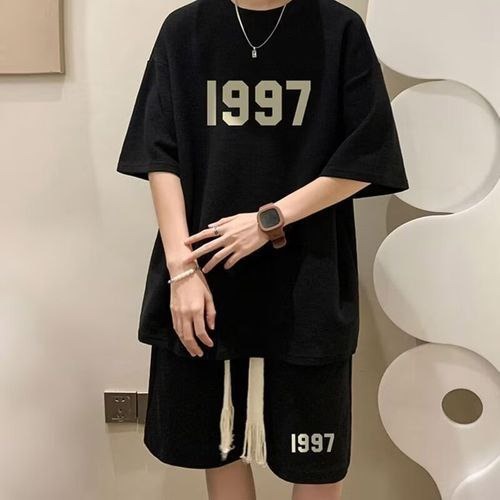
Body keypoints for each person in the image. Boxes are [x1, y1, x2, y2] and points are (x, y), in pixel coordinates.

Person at [116, 0, 409, 498]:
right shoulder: (185, 30)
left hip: (309, 283)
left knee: (317, 465)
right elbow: (160, 154)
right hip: (208, 277)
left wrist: (267, 221)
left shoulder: (338, 29)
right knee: (219, 446)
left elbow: (367, 156)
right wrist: (181, 271)